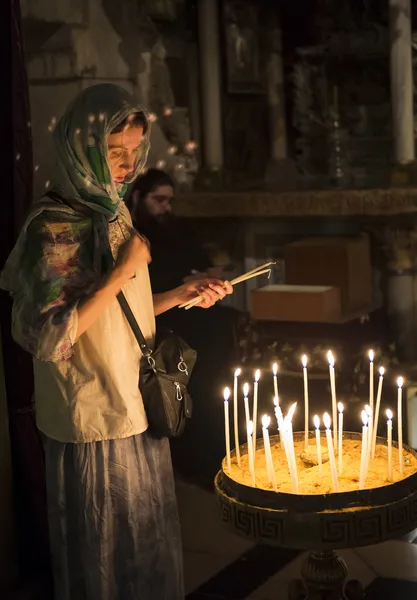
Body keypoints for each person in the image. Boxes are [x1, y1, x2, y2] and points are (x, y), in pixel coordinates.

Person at [0, 84, 232, 600]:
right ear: (81, 146)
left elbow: (114, 317)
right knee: (106, 560)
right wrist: (123, 269)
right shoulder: (55, 226)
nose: (127, 165)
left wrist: (178, 294)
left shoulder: (112, 210)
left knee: (146, 552)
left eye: (134, 150)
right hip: (94, 418)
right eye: (114, 151)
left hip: (135, 404)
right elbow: (50, 337)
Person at [129, 169, 241, 485]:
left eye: (170, 201)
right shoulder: (136, 236)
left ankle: (219, 449)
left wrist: (209, 273)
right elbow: (147, 288)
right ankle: (196, 457)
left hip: (193, 311)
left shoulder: (176, 228)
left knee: (223, 327)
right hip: (164, 319)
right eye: (159, 200)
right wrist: (186, 284)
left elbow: (193, 261)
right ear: (138, 197)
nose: (166, 208)